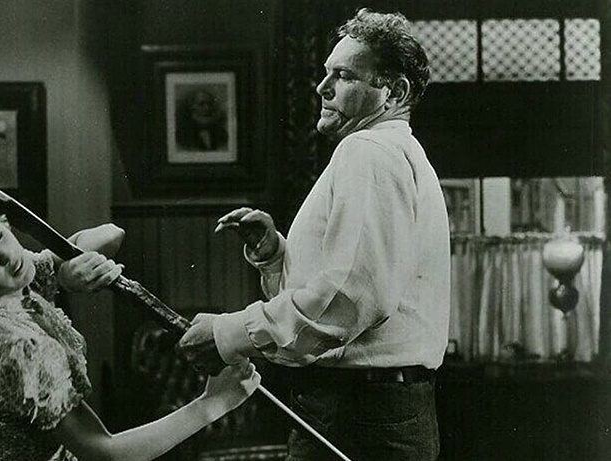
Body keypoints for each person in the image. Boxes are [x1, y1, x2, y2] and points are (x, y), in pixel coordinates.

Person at [177, 8, 449, 461]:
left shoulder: (368, 150)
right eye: (327, 73)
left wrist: (228, 334)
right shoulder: (396, 152)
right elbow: (352, 290)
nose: (322, 88)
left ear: (395, 91)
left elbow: (349, 298)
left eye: (343, 76)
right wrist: (274, 255)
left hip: (358, 413)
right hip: (374, 409)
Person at [0, 193, 260, 461]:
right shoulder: (19, 347)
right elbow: (105, 454)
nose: (7, 256)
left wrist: (67, 271)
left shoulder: (7, 289)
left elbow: (111, 233)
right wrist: (213, 403)